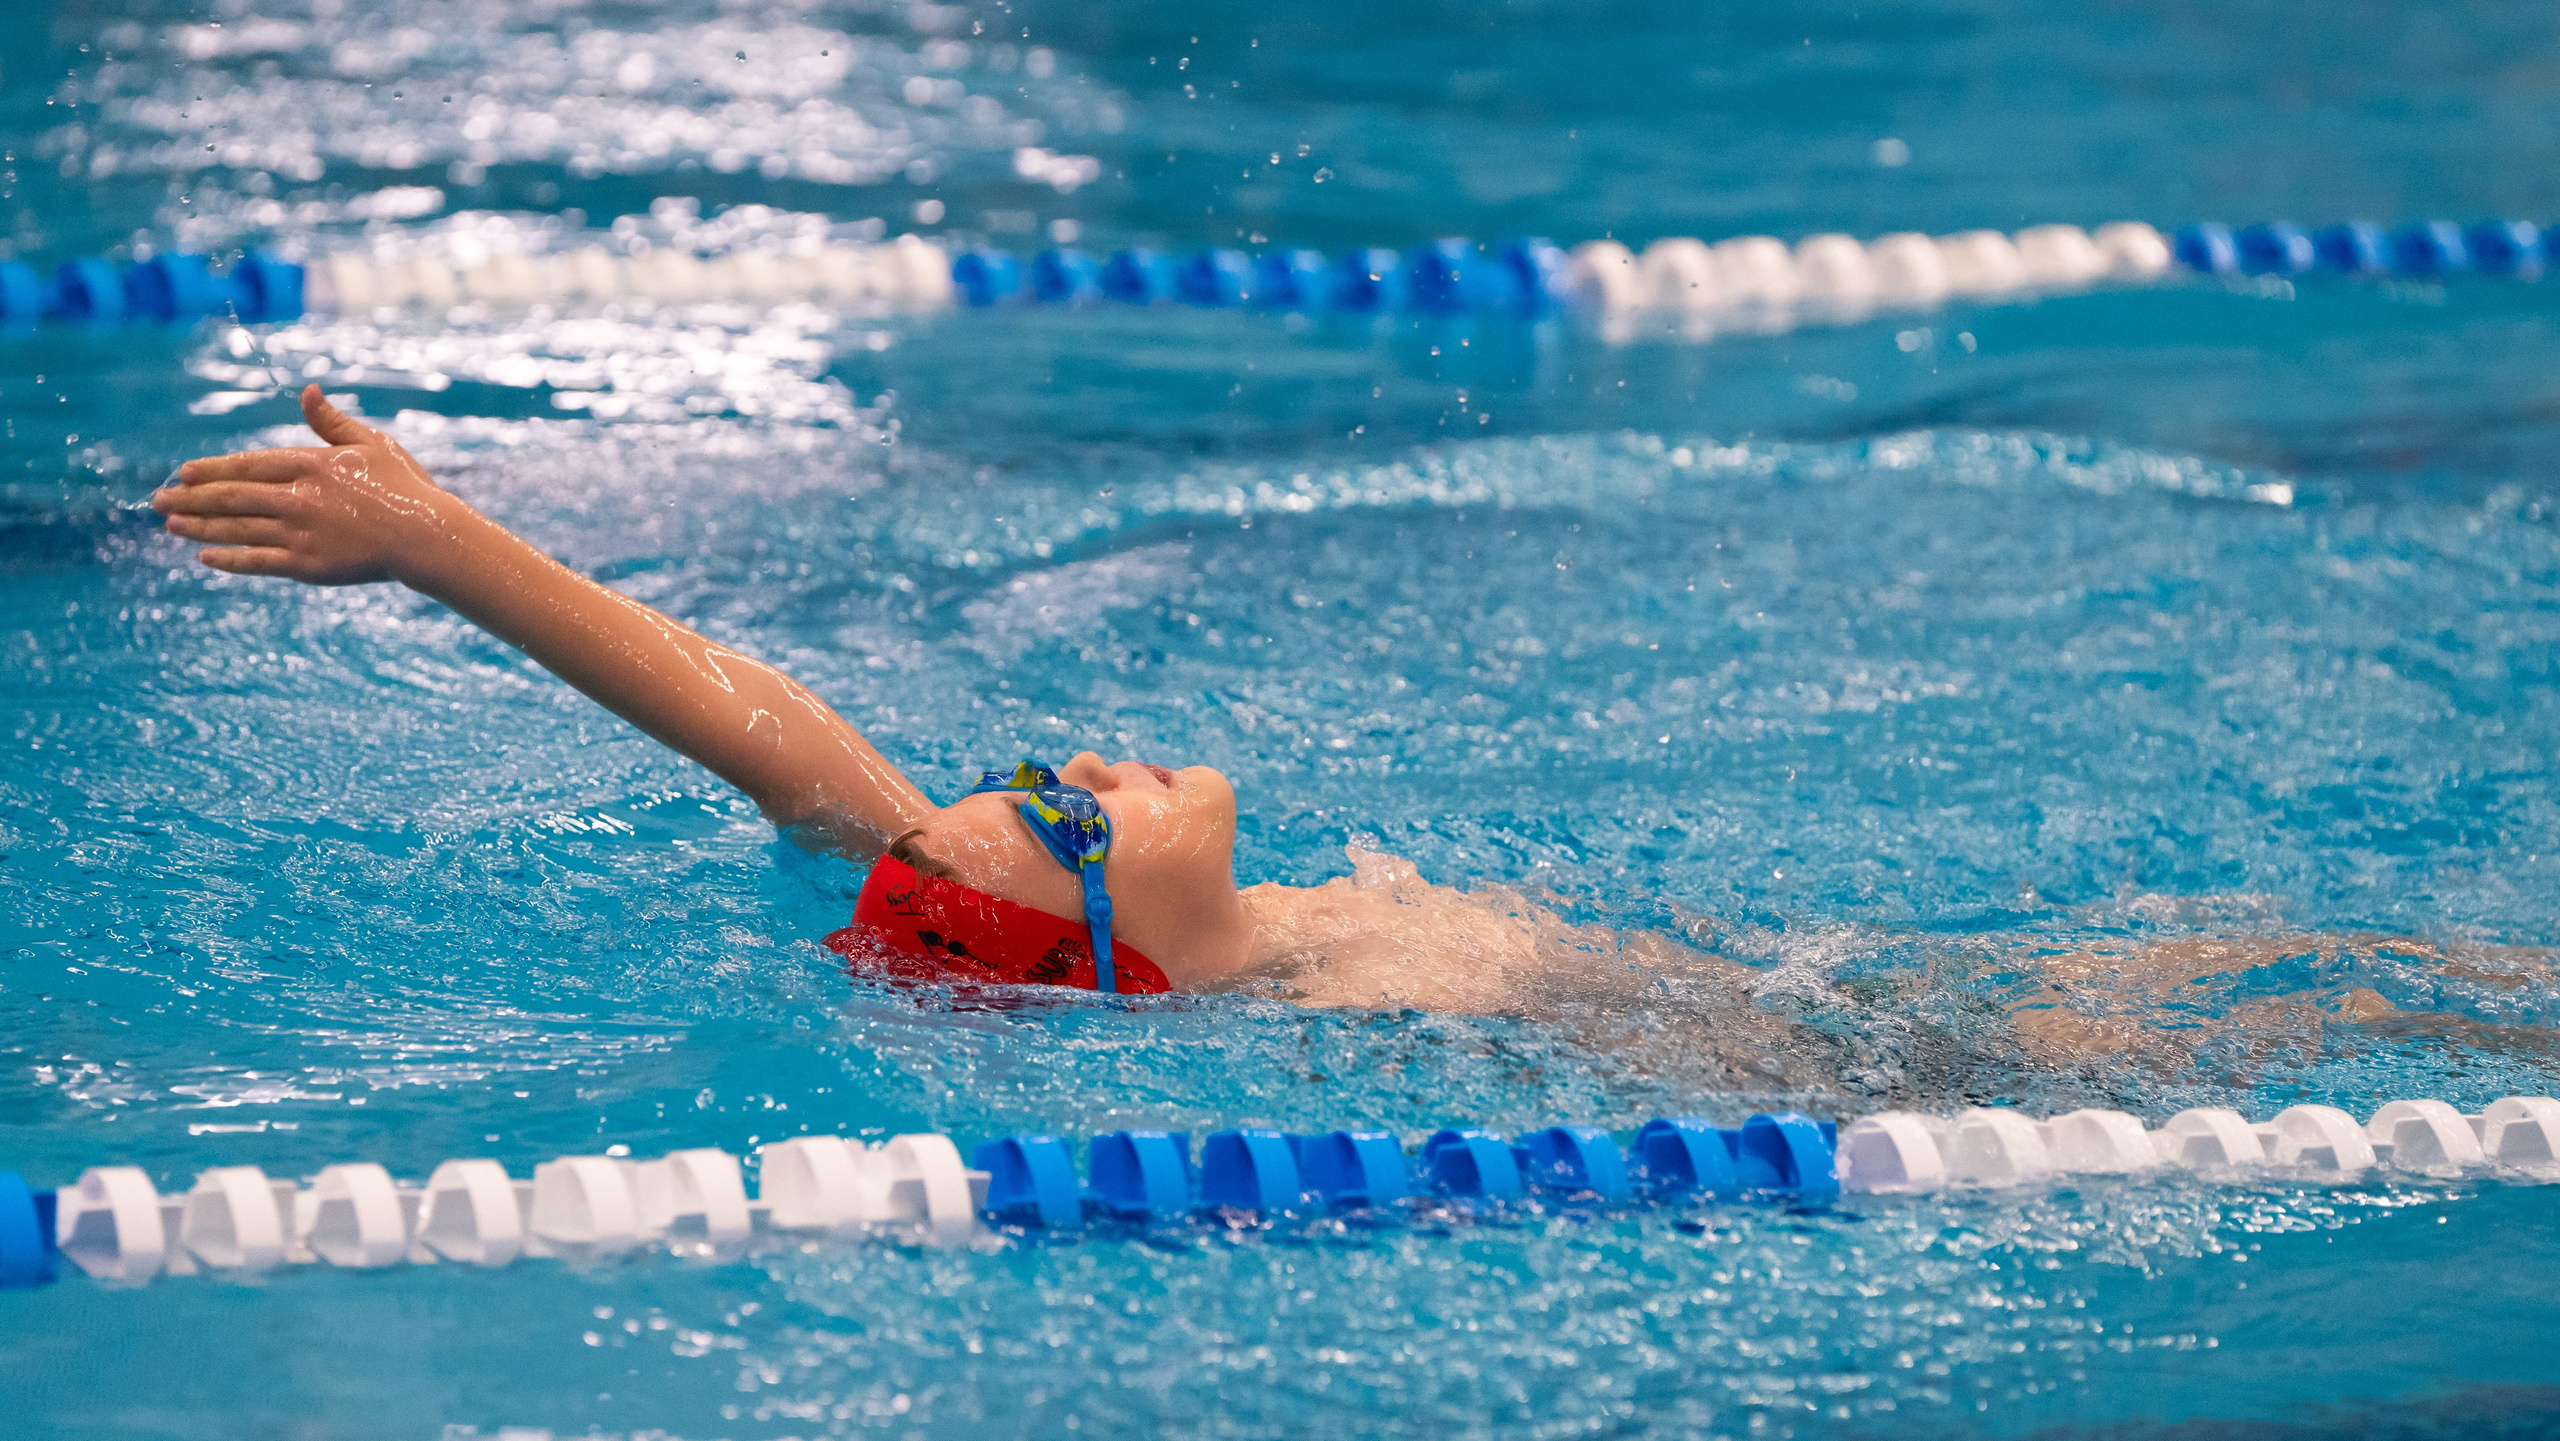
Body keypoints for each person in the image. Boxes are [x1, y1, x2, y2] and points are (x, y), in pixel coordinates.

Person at [151, 386, 1685, 1009]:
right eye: (1072, 808)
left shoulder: (1115, 928)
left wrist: (444, 541)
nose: (1092, 754)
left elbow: (772, 732)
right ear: (1109, 956)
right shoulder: (1371, 1014)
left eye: (1047, 774)